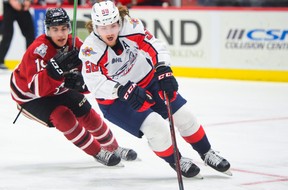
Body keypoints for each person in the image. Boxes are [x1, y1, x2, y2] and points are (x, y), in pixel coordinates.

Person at [79, 0, 231, 178]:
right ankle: (177, 161)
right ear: (96, 26)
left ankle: (207, 152)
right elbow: (94, 83)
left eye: (113, 25)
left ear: (119, 22)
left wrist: (163, 68)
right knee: (156, 127)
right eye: (104, 28)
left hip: (148, 80)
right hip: (116, 99)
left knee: (184, 115)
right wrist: (121, 90)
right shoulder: (90, 49)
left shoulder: (131, 26)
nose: (110, 32)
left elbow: (155, 46)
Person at [10, 7, 138, 167]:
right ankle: (97, 152)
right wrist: (55, 71)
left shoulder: (75, 45)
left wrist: (81, 83)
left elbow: (93, 76)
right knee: (62, 116)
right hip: (29, 97)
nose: (61, 34)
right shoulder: (38, 50)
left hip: (57, 89)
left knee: (85, 109)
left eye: (64, 28)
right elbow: (38, 89)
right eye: (55, 29)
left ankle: (114, 147)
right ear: (47, 30)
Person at [0, 0, 35, 70]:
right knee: (7, 35)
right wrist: (12, 1)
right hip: (8, 5)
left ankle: (30, 60)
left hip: (23, 5)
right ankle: (0, 60)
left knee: (30, 34)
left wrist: (28, 1)